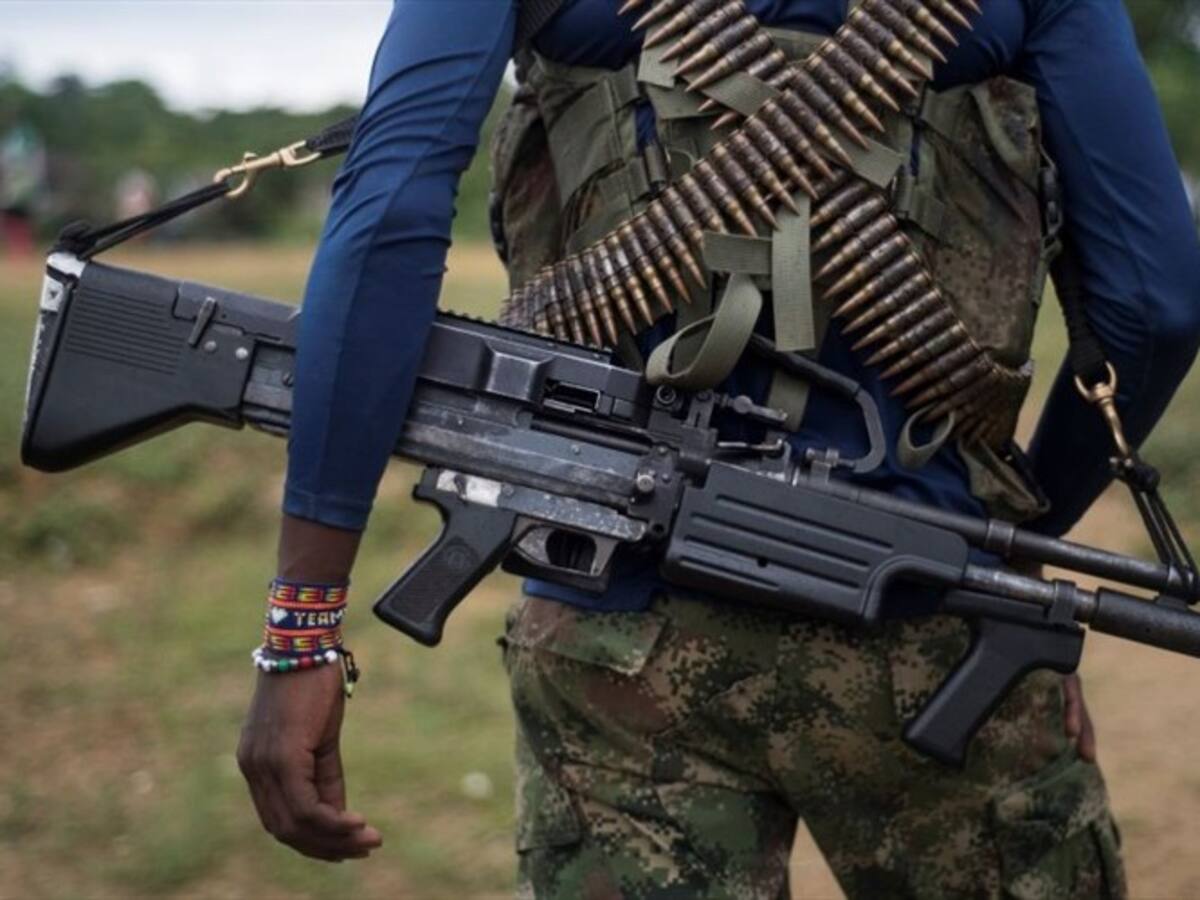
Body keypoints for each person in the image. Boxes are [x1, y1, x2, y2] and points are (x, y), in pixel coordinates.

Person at [236, 1, 1200, 896]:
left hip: (613, 633)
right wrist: (1004, 546)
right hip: (928, 613)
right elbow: (1154, 302)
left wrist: (301, 630)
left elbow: (386, 220)